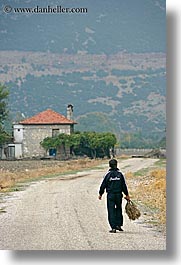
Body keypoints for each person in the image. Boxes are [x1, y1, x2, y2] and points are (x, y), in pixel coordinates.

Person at [98, 159, 130, 233]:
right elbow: (123, 186)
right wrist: (127, 194)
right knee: (119, 209)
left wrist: (100, 194)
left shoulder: (108, 175)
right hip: (119, 195)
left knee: (111, 210)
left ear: (109, 165)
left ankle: (113, 227)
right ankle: (119, 225)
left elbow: (103, 185)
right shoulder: (120, 175)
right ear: (116, 165)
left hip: (111, 195)